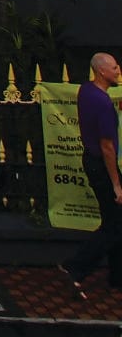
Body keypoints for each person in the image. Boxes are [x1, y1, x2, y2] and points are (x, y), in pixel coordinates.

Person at [65, 52, 122, 293]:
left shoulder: (86, 91)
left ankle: (117, 277)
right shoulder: (103, 103)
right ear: (102, 72)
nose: (118, 71)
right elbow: (107, 146)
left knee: (117, 220)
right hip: (102, 165)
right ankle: (76, 266)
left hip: (92, 161)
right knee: (114, 225)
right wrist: (116, 184)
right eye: (115, 68)